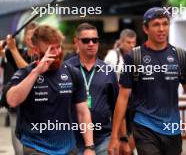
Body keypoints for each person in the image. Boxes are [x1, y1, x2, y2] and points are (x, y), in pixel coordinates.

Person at [108, 7, 186, 155]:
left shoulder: (180, 56)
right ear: (145, 28)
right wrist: (115, 137)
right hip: (144, 125)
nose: (162, 29)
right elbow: (122, 98)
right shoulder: (134, 57)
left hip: (172, 128)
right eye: (156, 24)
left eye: (165, 23)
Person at [4, 25, 95, 155]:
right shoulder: (25, 73)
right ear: (36, 50)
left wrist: (89, 147)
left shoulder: (73, 73)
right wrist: (36, 72)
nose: (57, 52)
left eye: (58, 46)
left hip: (68, 148)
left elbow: (83, 113)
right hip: (35, 147)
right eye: (51, 49)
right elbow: (12, 101)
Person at [66, 23, 129, 155]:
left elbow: (117, 107)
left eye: (95, 40)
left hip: (102, 139)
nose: (91, 43)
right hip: (71, 141)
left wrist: (122, 138)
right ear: (76, 42)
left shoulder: (108, 70)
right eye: (86, 40)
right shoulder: (66, 69)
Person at [0, 22, 37, 155]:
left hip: (36, 108)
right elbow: (3, 52)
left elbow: (29, 71)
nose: (31, 38)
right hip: (16, 107)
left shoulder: (41, 56)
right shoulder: (18, 52)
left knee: (34, 149)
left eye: (34, 35)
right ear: (25, 37)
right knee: (18, 150)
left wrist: (13, 49)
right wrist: (4, 45)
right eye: (28, 35)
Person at [104, 28, 137, 154]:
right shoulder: (113, 56)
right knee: (118, 139)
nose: (131, 45)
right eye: (128, 42)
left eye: (133, 42)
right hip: (116, 101)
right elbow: (105, 79)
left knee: (132, 138)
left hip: (132, 103)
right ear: (121, 42)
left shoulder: (137, 56)